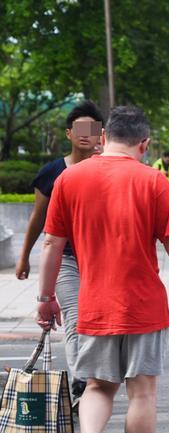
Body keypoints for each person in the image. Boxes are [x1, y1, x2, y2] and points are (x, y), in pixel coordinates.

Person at [36, 105, 169, 433]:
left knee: (98, 386)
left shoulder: (70, 179)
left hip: (93, 302)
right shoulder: (153, 182)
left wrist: (45, 298)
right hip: (142, 305)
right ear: (144, 144)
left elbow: (51, 243)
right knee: (142, 393)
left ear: (103, 138)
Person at [15, 100, 105, 408]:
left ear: (101, 135)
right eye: (79, 129)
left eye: (92, 130)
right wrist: (25, 255)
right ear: (68, 133)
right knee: (76, 319)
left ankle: (90, 379)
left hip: (103, 260)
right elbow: (38, 219)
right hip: (67, 260)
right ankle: (81, 383)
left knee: (97, 322)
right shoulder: (50, 174)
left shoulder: (110, 170)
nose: (85, 135)